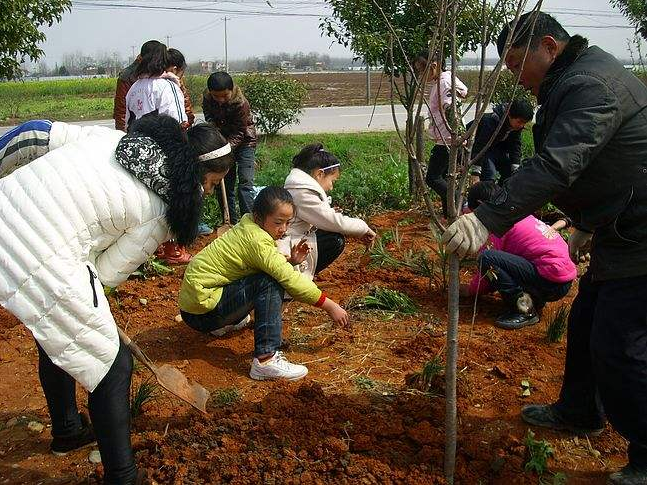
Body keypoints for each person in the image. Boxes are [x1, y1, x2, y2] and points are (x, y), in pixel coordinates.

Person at [441, 12, 647, 484]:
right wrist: (584, 224)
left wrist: (486, 218)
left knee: (620, 344)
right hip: (619, 227)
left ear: (549, 47)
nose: (515, 77)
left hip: (641, 236)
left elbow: (557, 165)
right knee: (586, 321)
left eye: (517, 65)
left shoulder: (592, 84)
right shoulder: (576, 77)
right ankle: (580, 410)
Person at [0, 115, 232, 485]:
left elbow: (40, 132)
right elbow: (105, 273)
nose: (209, 189)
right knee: (114, 366)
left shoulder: (114, 140)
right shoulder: (161, 210)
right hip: (37, 249)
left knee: (57, 331)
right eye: (213, 182)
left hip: (6, 209)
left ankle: (67, 430)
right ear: (198, 173)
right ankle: (123, 477)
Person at [179, 186, 349, 381]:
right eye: (278, 222)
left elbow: (261, 263)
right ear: (259, 216)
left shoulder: (247, 225)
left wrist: (291, 261)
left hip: (196, 305)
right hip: (202, 313)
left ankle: (226, 323)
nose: (284, 229)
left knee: (265, 276)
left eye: (287, 223)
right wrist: (328, 304)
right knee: (269, 282)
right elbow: (288, 279)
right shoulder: (257, 241)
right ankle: (266, 360)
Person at [462, 182, 576, 329]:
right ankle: (534, 298)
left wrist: (471, 290)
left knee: (486, 258)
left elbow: (489, 267)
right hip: (562, 278)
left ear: (480, 205)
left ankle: (524, 310)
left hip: (551, 282)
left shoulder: (498, 223)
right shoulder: (516, 212)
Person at [278, 143, 376, 279]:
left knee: (332, 232)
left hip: (294, 238)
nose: (331, 187)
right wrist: (363, 228)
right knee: (335, 240)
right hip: (289, 247)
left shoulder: (298, 187)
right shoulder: (302, 192)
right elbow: (334, 222)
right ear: (320, 174)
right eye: (332, 181)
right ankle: (299, 277)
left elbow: (323, 217)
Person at [202, 71, 257, 224]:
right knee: (225, 183)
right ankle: (230, 221)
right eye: (216, 96)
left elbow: (240, 132)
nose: (220, 100)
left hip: (244, 142)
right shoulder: (207, 99)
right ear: (210, 93)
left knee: (245, 182)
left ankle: (249, 222)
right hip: (222, 143)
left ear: (232, 90)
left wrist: (224, 149)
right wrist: (212, 127)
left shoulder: (241, 103)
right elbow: (209, 116)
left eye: (224, 96)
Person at [424, 54, 468, 218]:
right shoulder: (445, 79)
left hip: (447, 140)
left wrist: (457, 134)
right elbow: (464, 91)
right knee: (445, 178)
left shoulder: (443, 81)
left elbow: (450, 108)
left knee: (433, 178)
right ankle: (449, 215)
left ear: (434, 65)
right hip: (448, 138)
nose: (420, 74)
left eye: (421, 69)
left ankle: (460, 202)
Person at [468, 99, 534, 184]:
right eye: (520, 122)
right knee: (490, 174)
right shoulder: (491, 121)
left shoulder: (516, 127)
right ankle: (486, 194)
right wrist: (475, 172)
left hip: (495, 149)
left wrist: (515, 167)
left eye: (524, 123)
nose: (522, 126)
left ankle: (501, 193)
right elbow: (480, 146)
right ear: (509, 115)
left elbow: (515, 145)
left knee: (509, 171)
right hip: (479, 150)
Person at [125, 42, 188, 130]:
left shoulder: (133, 87)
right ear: (162, 60)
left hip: (136, 140)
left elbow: (127, 122)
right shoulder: (167, 87)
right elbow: (178, 124)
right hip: (160, 141)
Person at [113, 40, 164, 132]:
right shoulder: (128, 76)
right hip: (136, 128)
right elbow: (121, 109)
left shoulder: (158, 75)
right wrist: (122, 132)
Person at [166, 48, 195, 128]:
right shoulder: (174, 86)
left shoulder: (151, 83)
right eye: (182, 72)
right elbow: (187, 111)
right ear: (174, 69)